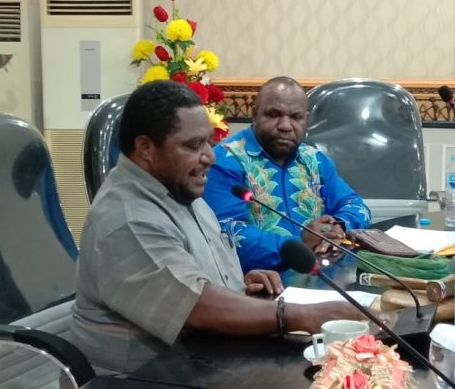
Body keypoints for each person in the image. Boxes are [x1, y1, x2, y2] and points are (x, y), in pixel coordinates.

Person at [69, 80, 367, 373]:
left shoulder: (179, 189)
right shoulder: (129, 218)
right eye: (193, 146)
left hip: (200, 358)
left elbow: (191, 278)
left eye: (208, 142)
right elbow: (195, 306)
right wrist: (306, 315)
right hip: (142, 376)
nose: (210, 156)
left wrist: (236, 285)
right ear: (146, 148)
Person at [203, 76, 371, 273]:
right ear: (255, 114)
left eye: (295, 117)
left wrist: (335, 227)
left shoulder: (315, 160)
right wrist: (300, 242)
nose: (285, 125)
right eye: (274, 114)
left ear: (306, 120)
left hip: (320, 276)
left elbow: (356, 206)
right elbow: (226, 235)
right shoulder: (224, 161)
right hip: (256, 282)